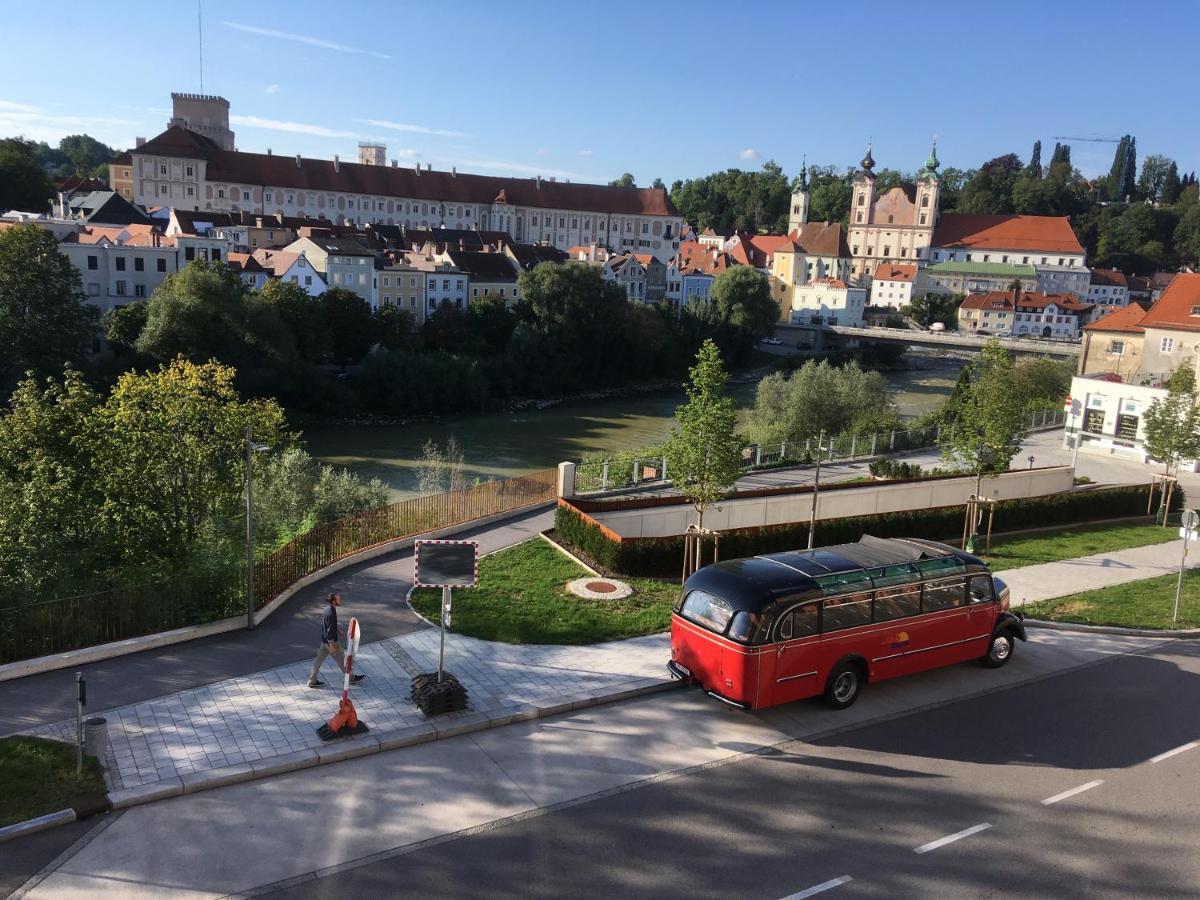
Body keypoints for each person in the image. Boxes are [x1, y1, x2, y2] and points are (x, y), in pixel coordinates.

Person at [307, 592, 366, 688]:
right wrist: (332, 644)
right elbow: (330, 629)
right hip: (332, 642)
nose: (340, 600)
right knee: (343, 660)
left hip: (324, 641)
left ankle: (311, 681)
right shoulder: (331, 613)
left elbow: (327, 625)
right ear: (334, 601)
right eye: (338, 599)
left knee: (318, 662)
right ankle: (351, 678)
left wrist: (338, 631)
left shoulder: (327, 610)